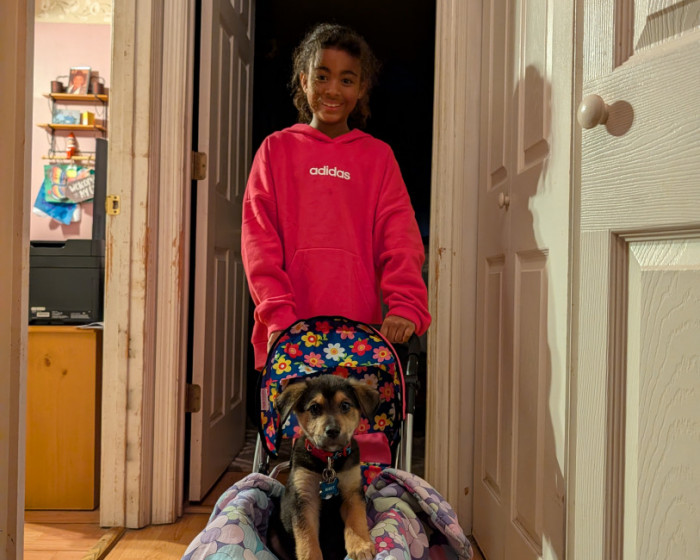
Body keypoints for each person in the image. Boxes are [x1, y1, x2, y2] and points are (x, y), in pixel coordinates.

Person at [241, 23, 431, 370]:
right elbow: (258, 243)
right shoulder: (276, 150)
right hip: (287, 334)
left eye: (346, 80)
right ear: (304, 81)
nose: (332, 89)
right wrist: (277, 314)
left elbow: (400, 237)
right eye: (322, 76)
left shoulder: (378, 158)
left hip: (360, 336)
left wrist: (405, 304)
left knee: (357, 409)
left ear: (361, 88)